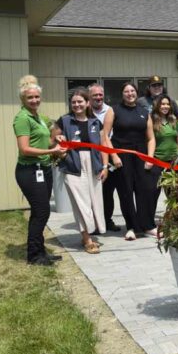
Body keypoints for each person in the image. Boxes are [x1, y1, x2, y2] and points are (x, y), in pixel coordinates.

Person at [12, 75, 67, 266]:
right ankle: (34, 255)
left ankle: (40, 251)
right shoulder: (22, 118)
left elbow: (48, 139)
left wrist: (56, 141)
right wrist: (52, 150)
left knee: (40, 212)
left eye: (36, 97)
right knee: (41, 211)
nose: (34, 100)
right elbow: (25, 149)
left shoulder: (38, 117)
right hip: (29, 170)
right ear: (23, 100)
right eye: (30, 98)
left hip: (43, 168)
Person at [52, 88, 109, 254]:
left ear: (87, 103)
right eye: (74, 102)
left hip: (94, 165)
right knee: (80, 203)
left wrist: (105, 166)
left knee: (95, 202)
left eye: (80, 101)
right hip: (73, 167)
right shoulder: (64, 121)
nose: (77, 105)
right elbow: (52, 140)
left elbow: (103, 145)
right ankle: (87, 239)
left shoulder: (95, 122)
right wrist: (58, 138)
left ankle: (91, 232)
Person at [111, 81, 157, 240]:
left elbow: (151, 138)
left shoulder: (144, 112)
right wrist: (114, 156)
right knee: (126, 192)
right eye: (126, 91)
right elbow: (105, 136)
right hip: (122, 156)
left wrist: (150, 157)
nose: (130, 94)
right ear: (122, 94)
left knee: (146, 190)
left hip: (141, 155)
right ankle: (131, 227)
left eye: (132, 91)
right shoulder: (114, 110)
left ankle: (148, 226)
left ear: (136, 93)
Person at [88, 84, 120, 232]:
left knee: (108, 192)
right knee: (91, 192)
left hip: (109, 155)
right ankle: (92, 222)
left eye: (100, 94)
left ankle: (107, 220)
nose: (98, 97)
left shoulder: (110, 111)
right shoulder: (84, 111)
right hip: (91, 156)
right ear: (89, 97)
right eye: (95, 95)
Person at [149, 95, 178, 219]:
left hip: (173, 162)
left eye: (167, 104)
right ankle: (149, 219)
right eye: (162, 104)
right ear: (157, 106)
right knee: (153, 192)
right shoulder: (152, 121)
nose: (165, 106)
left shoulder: (173, 120)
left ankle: (173, 219)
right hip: (157, 161)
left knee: (173, 193)